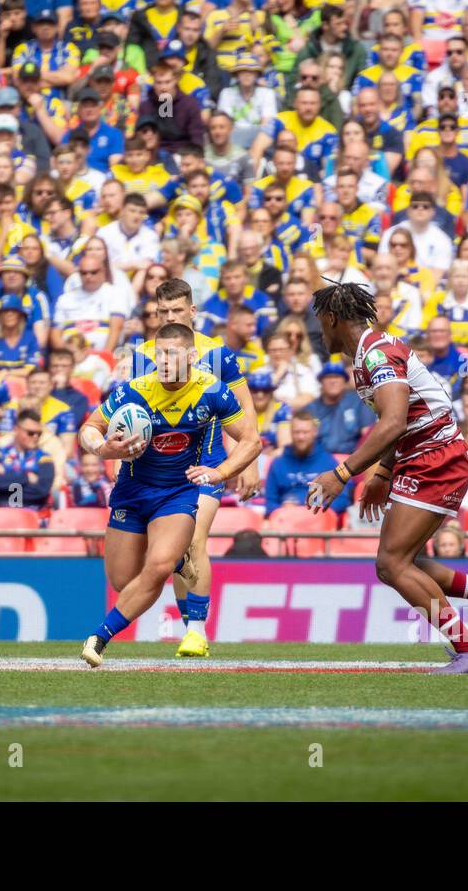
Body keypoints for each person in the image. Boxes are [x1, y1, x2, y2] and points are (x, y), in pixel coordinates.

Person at [305, 281, 468, 674]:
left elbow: (392, 423)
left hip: (435, 458)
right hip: (424, 456)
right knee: (403, 561)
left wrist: (343, 473)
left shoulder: (376, 356)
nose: (319, 332)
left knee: (391, 564)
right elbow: (400, 420)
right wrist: (384, 472)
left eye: (320, 323)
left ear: (332, 318)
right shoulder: (368, 355)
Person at [77, 322, 259, 667]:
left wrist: (220, 472)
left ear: (191, 357)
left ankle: (99, 637)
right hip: (131, 491)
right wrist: (103, 449)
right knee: (122, 580)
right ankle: (181, 561)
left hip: (178, 492)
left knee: (157, 568)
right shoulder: (134, 390)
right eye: (158, 353)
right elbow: (89, 428)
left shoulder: (212, 391)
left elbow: (252, 441)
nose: (162, 361)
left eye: (171, 354)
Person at [132, 279, 259, 657]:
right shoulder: (142, 356)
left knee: (193, 539)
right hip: (160, 469)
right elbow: (134, 414)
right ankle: (192, 627)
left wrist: (246, 462)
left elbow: (244, 405)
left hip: (208, 462)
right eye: (163, 312)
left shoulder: (217, 355)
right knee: (173, 554)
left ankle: (196, 632)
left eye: (177, 310)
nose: (171, 317)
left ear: (192, 311)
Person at [265, 410, 351, 516]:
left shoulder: (329, 462)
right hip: (286, 518)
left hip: (318, 517)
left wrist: (317, 509)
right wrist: (281, 510)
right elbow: (270, 502)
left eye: (305, 432)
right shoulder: (277, 463)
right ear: (291, 433)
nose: (301, 437)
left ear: (315, 432)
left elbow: (343, 499)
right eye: (297, 432)